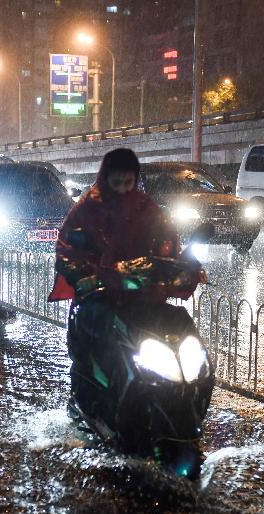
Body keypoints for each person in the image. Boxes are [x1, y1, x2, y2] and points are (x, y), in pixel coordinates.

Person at [48, 148, 191, 422]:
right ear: (105, 178)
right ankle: (103, 408)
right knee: (105, 343)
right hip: (100, 299)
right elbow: (66, 252)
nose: (124, 190)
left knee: (180, 323)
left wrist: (180, 268)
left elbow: (167, 244)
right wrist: (87, 277)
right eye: (117, 183)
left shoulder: (146, 208)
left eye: (129, 183)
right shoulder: (87, 210)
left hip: (143, 298)